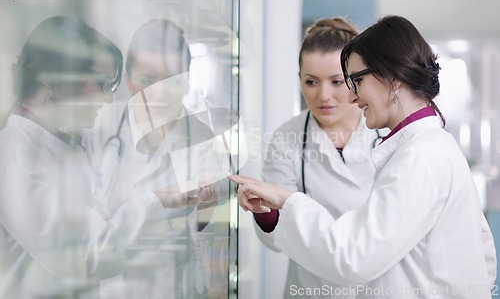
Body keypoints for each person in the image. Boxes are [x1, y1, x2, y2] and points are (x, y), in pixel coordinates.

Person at [230, 15, 497, 298]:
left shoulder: (419, 158)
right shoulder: (432, 147)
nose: (350, 97)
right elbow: (483, 255)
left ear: (392, 78)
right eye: (311, 81)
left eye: (353, 81)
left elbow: (350, 257)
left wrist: (287, 200)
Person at [0, 15, 211, 299]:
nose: (110, 99)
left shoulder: (59, 146)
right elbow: (83, 254)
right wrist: (158, 201)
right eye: (102, 83)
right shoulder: (15, 157)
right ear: (54, 77)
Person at [83, 18, 221, 299]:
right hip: (111, 286)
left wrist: (208, 207)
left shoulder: (202, 137)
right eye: (148, 81)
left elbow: (209, 232)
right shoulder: (99, 126)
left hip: (173, 286)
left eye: (172, 80)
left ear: (187, 82)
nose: (160, 93)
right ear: (129, 81)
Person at [254, 17, 379, 299]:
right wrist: (265, 212)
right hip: (313, 290)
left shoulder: (386, 131)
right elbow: (276, 241)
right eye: (311, 82)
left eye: (337, 82)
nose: (323, 96)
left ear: (356, 80)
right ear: (299, 79)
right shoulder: (286, 138)